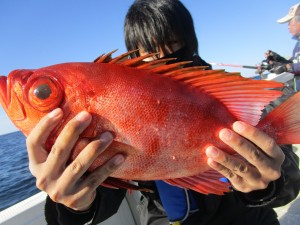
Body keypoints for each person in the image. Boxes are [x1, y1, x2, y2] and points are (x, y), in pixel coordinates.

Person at [26, 1, 300, 225]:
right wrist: (75, 203)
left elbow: (288, 183)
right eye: (149, 53)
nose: (163, 60)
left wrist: (266, 185)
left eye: (174, 45)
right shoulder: (123, 100)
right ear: (134, 54)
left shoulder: (230, 98)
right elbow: (109, 185)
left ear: (191, 42)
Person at [276, 3, 300, 91]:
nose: (288, 27)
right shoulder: (297, 45)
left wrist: (288, 67)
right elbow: (294, 62)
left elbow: (293, 66)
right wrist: (278, 59)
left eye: (290, 22)